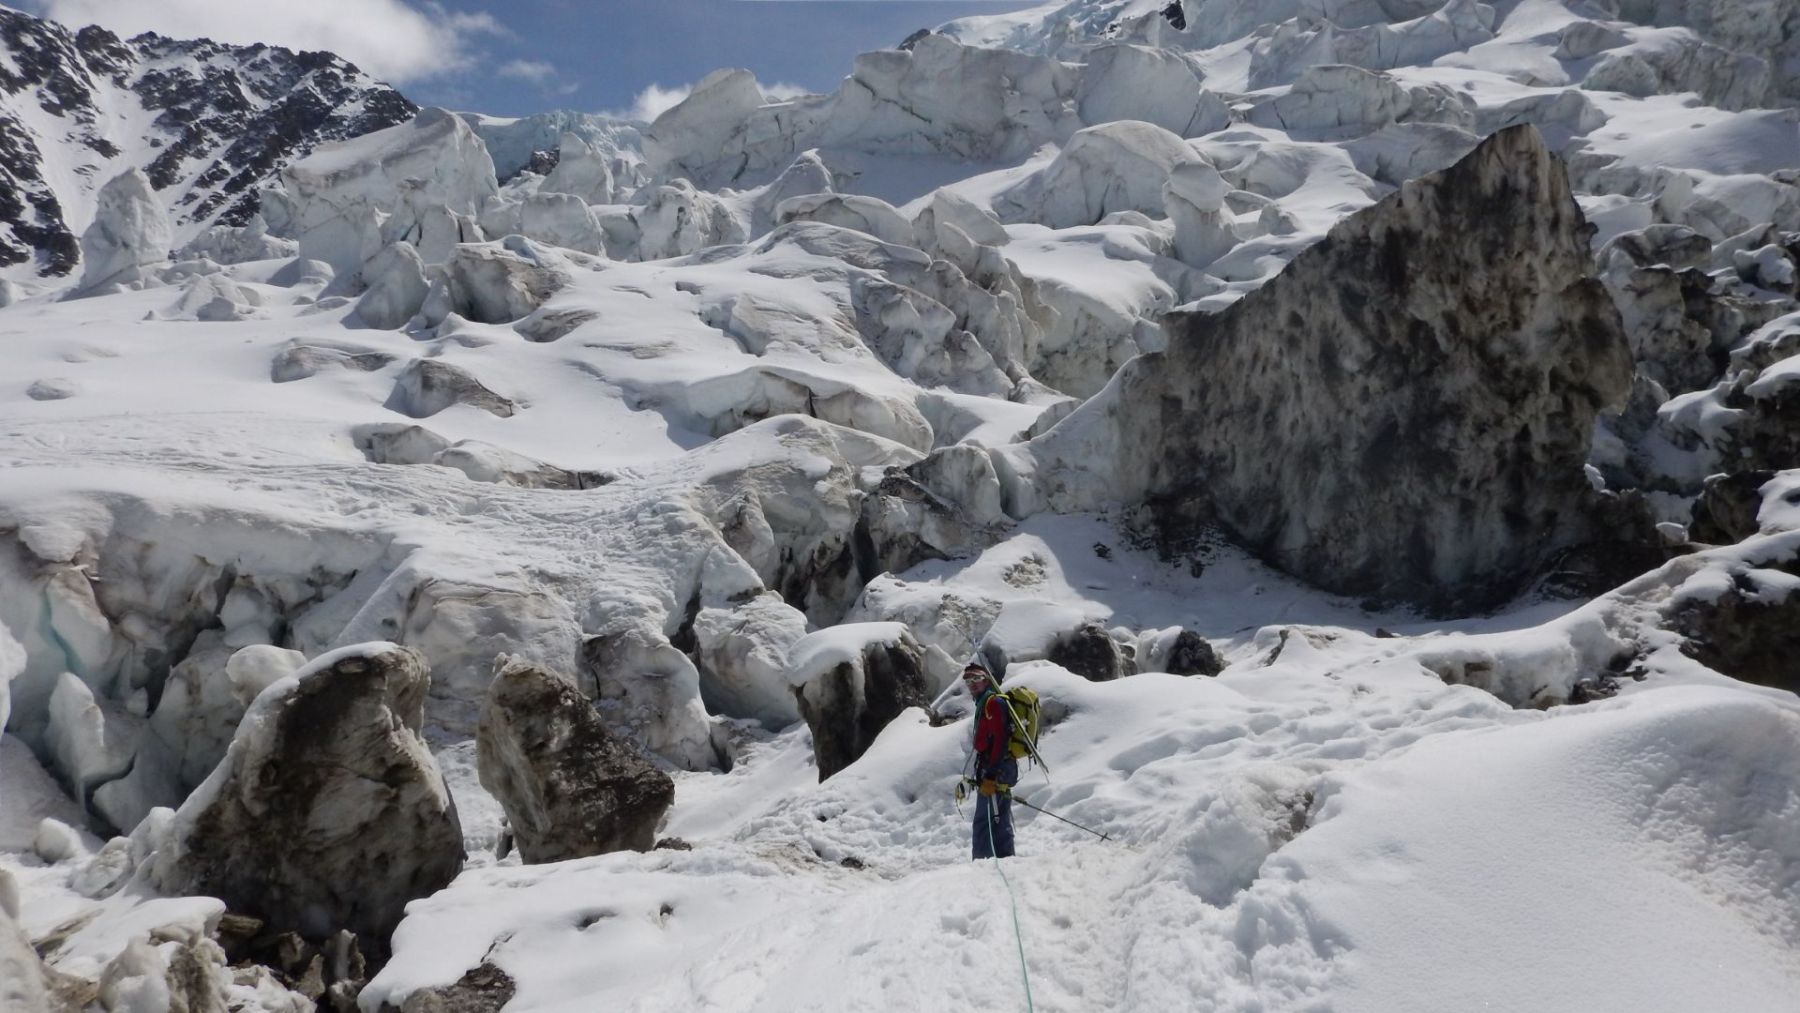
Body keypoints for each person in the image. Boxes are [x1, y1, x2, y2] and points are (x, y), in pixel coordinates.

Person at [963, 660, 1018, 860]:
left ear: (986, 680)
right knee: (999, 817)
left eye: (976, 678)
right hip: (1000, 767)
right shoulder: (987, 702)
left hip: (995, 768)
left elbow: (1000, 739)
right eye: (968, 680)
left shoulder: (992, 703)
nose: (972, 684)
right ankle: (1006, 859)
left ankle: (982, 863)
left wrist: (991, 774)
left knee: (984, 821)